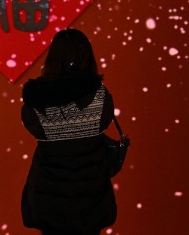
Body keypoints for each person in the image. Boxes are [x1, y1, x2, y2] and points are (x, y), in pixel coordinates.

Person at [21, 29, 117, 235]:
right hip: (91, 198)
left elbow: (31, 124)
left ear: (53, 58)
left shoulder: (37, 99)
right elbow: (105, 121)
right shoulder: (100, 97)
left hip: (48, 200)